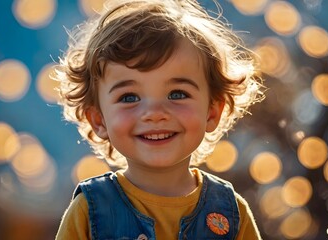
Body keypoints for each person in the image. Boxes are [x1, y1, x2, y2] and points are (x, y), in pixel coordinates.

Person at [55, 0, 264, 239]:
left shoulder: (230, 213)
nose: (154, 113)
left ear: (212, 111)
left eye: (177, 94)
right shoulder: (90, 212)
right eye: (129, 97)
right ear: (99, 120)